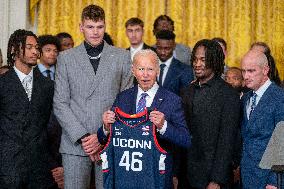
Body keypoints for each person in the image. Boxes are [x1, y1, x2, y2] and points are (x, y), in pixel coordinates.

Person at [53, 4, 133, 189]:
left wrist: (101, 136)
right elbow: (60, 103)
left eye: (99, 27)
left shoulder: (122, 56)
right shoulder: (66, 58)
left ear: (105, 26)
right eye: (90, 27)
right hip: (75, 144)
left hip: (110, 141)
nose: (95, 32)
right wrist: (84, 138)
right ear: (81, 27)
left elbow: (126, 102)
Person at [97, 49, 190, 188]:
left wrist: (163, 126)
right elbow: (102, 138)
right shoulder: (123, 97)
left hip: (156, 178)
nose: (145, 74)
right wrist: (105, 127)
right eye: (141, 69)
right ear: (133, 71)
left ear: (158, 70)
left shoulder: (172, 100)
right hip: (125, 178)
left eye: (150, 69)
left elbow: (186, 140)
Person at [181, 39, 240, 189]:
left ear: (214, 61)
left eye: (203, 60)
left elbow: (227, 141)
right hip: (186, 174)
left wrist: (217, 180)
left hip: (212, 178)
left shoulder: (228, 94)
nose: (197, 64)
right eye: (195, 59)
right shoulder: (187, 91)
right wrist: (175, 173)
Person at [0, 29, 54, 188]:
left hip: (39, 168)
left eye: (37, 47)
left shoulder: (48, 85)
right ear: (14, 50)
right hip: (8, 167)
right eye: (29, 47)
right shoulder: (2, 84)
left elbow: (52, 126)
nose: (35, 52)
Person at [240, 49, 284, 189]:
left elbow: (281, 142)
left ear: (265, 70)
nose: (246, 76)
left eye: (251, 71)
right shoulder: (246, 97)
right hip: (247, 176)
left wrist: (274, 181)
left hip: (269, 180)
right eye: (243, 71)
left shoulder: (279, 98)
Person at [37, 34, 63, 189]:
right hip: (40, 129)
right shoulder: (31, 74)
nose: (52, 53)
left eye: (55, 51)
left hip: (59, 129)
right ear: (39, 52)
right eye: (47, 50)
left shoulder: (63, 73)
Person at [155, 30, 194, 95]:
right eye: (159, 48)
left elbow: (187, 98)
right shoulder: (147, 67)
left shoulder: (185, 70)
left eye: (167, 48)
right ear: (156, 46)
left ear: (174, 46)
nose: (162, 52)